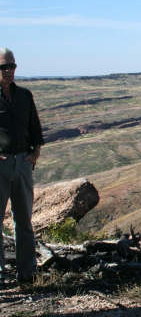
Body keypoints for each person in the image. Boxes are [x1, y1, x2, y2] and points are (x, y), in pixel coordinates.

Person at [0, 47, 44, 285]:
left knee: (24, 220)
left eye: (12, 66)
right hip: (2, 163)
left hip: (23, 163)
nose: (8, 71)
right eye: (3, 67)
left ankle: (27, 272)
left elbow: (35, 126)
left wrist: (35, 152)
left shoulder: (24, 95)